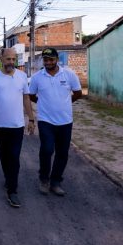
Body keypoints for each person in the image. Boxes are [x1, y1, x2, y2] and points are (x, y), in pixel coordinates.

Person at [28, 48, 83, 196]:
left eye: (51, 59)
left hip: (65, 121)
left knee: (62, 153)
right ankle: (44, 179)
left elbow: (78, 93)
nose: (48, 62)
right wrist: (42, 103)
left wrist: (66, 102)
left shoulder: (69, 74)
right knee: (46, 150)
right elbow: (31, 95)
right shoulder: (37, 77)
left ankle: (56, 181)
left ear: (57, 59)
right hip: (46, 120)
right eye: (46, 60)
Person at [0, 48, 35, 208]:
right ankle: (9, 179)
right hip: (0, 126)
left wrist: (31, 119)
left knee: (14, 158)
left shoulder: (22, 77)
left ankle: (12, 191)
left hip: (17, 126)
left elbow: (26, 98)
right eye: (8, 59)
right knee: (4, 157)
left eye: (14, 59)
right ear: (1, 59)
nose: (11, 62)